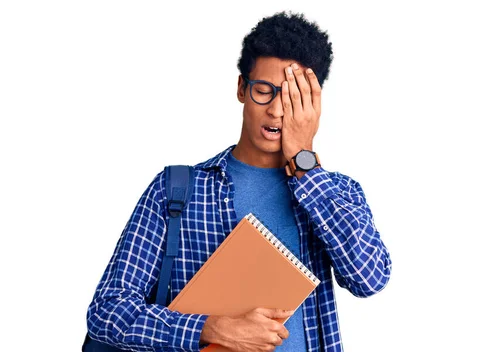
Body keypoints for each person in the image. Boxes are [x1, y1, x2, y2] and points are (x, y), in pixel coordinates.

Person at [86, 11, 392, 352]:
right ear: (242, 88)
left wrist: (304, 162)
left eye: (292, 98)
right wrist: (208, 328)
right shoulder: (178, 190)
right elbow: (108, 312)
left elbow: (369, 278)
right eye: (265, 90)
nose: (277, 110)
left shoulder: (337, 192)